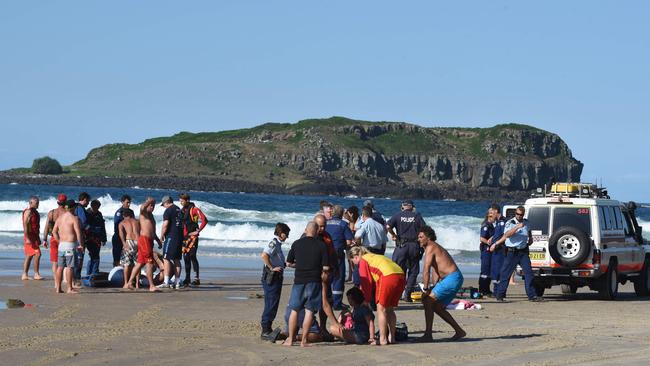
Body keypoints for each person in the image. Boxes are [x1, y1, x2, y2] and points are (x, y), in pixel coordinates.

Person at [283, 222, 329, 347]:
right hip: (314, 281)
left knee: (294, 310)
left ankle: (291, 340)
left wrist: (300, 265)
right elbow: (325, 267)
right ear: (316, 231)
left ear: (305, 230)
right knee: (309, 311)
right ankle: (304, 341)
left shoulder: (297, 243)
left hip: (299, 280)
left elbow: (288, 263)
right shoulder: (321, 245)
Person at [418, 225, 466, 341]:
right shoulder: (433, 248)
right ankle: (459, 331)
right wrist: (433, 286)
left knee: (427, 300)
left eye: (421, 237)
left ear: (428, 237)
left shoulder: (430, 247)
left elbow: (426, 269)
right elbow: (436, 270)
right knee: (437, 307)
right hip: (454, 278)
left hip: (452, 278)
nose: (418, 239)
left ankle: (428, 335)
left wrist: (425, 289)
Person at [349, 246, 404, 345]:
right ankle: (392, 337)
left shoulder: (363, 261)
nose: (354, 264)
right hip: (400, 275)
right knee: (390, 309)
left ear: (356, 257)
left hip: (387, 276)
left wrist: (366, 300)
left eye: (352, 261)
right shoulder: (374, 256)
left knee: (381, 308)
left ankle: (382, 339)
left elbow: (366, 282)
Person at [494, 206, 544, 302]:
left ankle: (532, 295)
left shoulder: (527, 222)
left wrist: (530, 238)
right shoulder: (510, 222)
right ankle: (500, 295)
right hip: (512, 252)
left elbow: (529, 232)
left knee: (529, 273)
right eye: (517, 214)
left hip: (523, 251)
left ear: (523, 214)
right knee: (505, 274)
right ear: (515, 214)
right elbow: (506, 235)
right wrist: (517, 227)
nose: (519, 216)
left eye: (521, 215)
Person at [386, 199, 426, 302]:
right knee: (413, 271)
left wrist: (393, 235)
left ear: (403, 206)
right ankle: (407, 294)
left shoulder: (398, 215)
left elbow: (387, 226)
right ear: (412, 207)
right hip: (414, 246)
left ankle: (397, 293)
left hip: (401, 246)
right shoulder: (417, 216)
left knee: (398, 270)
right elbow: (424, 230)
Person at [260, 223, 290, 338]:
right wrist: (272, 268)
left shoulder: (278, 244)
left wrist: (285, 264)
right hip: (272, 277)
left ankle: (268, 328)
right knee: (271, 303)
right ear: (281, 233)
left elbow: (276, 259)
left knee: (273, 303)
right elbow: (264, 255)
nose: (287, 237)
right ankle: (265, 329)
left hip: (276, 277)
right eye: (286, 234)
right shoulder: (273, 242)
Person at [313, 214, 340, 339]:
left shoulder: (327, 236)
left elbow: (333, 253)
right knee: (313, 303)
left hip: (327, 274)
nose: (322, 228)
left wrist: (336, 268)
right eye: (319, 226)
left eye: (324, 226)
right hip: (313, 275)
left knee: (327, 300)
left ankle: (323, 328)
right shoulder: (308, 237)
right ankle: (311, 327)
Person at [127, 197, 162, 292]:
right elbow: (142, 208)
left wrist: (158, 240)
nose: (152, 207)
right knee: (149, 262)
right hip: (144, 240)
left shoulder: (151, 215)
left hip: (150, 241)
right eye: (150, 205)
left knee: (140, 263)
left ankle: (129, 283)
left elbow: (152, 231)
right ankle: (151, 285)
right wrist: (149, 201)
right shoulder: (144, 213)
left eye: (153, 206)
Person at [326, 205, 354, 310]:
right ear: (342, 214)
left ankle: (327, 300)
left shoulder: (326, 222)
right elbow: (349, 241)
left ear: (332, 213)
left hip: (325, 253)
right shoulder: (343, 224)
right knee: (338, 278)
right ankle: (336, 303)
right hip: (337, 253)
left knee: (327, 277)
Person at [52, 200, 84, 294]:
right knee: (70, 267)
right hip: (70, 245)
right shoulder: (74, 218)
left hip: (61, 245)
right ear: (73, 208)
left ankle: (58, 288)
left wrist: (59, 241)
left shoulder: (60, 218)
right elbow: (78, 233)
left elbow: (54, 231)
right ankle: (69, 288)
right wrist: (81, 244)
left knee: (60, 267)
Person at [179, 193, 208, 287]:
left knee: (192, 256)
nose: (181, 202)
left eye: (182, 201)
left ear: (187, 200)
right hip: (184, 238)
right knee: (186, 257)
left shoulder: (194, 209)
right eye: (180, 200)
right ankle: (187, 278)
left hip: (193, 237)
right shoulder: (182, 210)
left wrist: (198, 231)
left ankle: (196, 278)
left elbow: (204, 220)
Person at [159, 195, 184, 289]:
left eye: (163, 205)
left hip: (171, 236)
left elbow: (165, 225)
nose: (164, 207)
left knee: (166, 258)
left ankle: (166, 281)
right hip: (179, 236)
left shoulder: (168, 210)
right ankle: (177, 281)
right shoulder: (179, 210)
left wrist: (161, 236)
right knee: (177, 259)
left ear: (166, 202)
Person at [42, 194, 67, 281]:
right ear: (65, 202)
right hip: (64, 239)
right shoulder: (67, 213)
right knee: (65, 261)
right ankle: (64, 279)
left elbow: (46, 227)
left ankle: (56, 281)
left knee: (54, 262)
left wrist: (44, 239)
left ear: (58, 202)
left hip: (53, 238)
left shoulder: (51, 213)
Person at [22, 196, 43, 280]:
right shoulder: (28, 212)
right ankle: (36, 274)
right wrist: (27, 238)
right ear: (31, 203)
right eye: (36, 203)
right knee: (38, 254)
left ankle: (24, 274)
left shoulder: (35, 212)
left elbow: (36, 226)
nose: (38, 204)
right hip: (30, 237)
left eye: (38, 202)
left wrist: (38, 238)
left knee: (29, 256)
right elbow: (25, 225)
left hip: (34, 237)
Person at [118, 208, 139, 288]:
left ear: (124, 215)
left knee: (126, 264)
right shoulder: (138, 221)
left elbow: (121, 234)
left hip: (129, 241)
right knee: (137, 264)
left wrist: (124, 243)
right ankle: (137, 284)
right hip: (138, 241)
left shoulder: (122, 222)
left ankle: (126, 283)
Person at [488, 204, 507, 294]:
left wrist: (495, 244)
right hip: (496, 249)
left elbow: (505, 235)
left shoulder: (503, 221)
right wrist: (492, 237)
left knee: (498, 271)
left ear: (496, 211)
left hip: (500, 249)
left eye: (492, 212)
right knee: (495, 271)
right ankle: (496, 291)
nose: (491, 214)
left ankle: (499, 292)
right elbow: (498, 234)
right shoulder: (498, 222)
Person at [85, 199, 107, 275]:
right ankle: (91, 273)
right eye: (96, 207)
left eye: (98, 207)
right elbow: (84, 225)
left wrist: (104, 238)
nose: (97, 209)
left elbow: (103, 226)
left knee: (96, 255)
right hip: (89, 238)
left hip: (98, 238)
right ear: (92, 206)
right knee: (93, 255)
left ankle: (94, 272)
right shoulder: (87, 213)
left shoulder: (99, 214)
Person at [73, 192, 90, 283]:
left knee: (75, 256)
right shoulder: (80, 208)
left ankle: (74, 276)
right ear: (84, 200)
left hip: (73, 235)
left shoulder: (75, 207)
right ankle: (76, 277)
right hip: (80, 235)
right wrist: (90, 229)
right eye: (88, 201)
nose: (88, 203)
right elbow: (83, 222)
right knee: (79, 256)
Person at [111, 195, 132, 266]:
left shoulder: (131, 212)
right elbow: (117, 227)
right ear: (122, 202)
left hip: (128, 238)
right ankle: (115, 272)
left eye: (129, 203)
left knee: (127, 259)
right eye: (127, 202)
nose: (129, 204)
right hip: (118, 237)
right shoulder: (119, 212)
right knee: (117, 258)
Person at [478, 210, 495, 296]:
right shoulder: (486, 225)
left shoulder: (491, 225)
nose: (494, 218)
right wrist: (490, 243)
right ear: (488, 216)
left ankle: (486, 289)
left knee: (488, 271)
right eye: (492, 216)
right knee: (485, 271)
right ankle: (482, 290)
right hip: (486, 251)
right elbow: (482, 238)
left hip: (489, 251)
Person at [343, 206, 359, 282]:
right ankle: (350, 276)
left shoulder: (357, 222)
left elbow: (355, 233)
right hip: (349, 244)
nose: (346, 215)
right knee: (349, 261)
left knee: (354, 261)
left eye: (348, 213)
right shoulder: (349, 222)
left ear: (351, 214)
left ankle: (354, 277)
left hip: (354, 245)